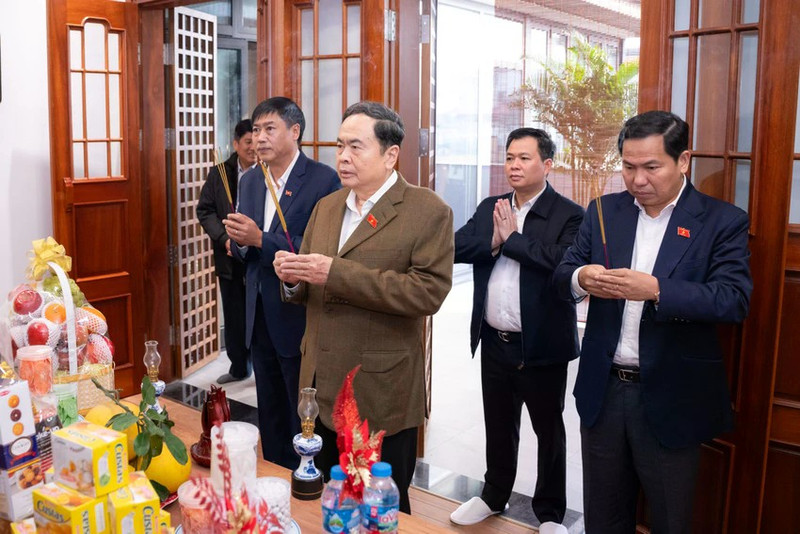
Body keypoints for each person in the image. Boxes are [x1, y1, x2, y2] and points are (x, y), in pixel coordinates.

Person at [553, 111, 753, 533]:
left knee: (670, 518)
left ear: (683, 161)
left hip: (671, 396)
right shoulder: (605, 211)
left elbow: (733, 300)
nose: (637, 180)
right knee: (604, 517)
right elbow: (564, 270)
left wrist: (658, 290)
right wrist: (580, 277)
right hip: (603, 391)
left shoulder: (721, 221)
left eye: (651, 167)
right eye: (628, 166)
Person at [273, 101, 454, 514]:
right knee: (330, 501)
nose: (342, 156)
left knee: (378, 507)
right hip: (319, 384)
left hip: (378, 389)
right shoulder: (329, 206)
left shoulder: (427, 212)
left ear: (391, 155)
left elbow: (427, 293)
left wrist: (334, 273)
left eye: (356, 146)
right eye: (339, 146)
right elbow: (310, 284)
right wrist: (292, 279)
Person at [450, 128, 583, 533]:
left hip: (541, 346)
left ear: (547, 164)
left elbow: (563, 262)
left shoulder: (569, 214)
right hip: (495, 340)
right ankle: (493, 495)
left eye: (524, 158)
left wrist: (513, 240)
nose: (514, 165)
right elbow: (456, 245)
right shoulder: (492, 204)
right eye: (509, 157)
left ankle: (549, 514)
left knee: (549, 430)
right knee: (498, 423)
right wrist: (494, 239)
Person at [224, 97, 340, 470]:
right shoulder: (253, 179)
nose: (259, 138)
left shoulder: (323, 179)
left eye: (269, 129)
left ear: (295, 132)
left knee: (301, 404)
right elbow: (247, 248)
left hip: (298, 311)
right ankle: (274, 469)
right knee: (269, 402)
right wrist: (239, 243)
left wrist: (260, 239)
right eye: (255, 130)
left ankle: (307, 476)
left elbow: (317, 245)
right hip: (258, 307)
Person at [197, 119, 256, 384]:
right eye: (248, 143)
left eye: (257, 142)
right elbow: (205, 209)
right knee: (233, 312)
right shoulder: (221, 171)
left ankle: (261, 365)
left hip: (258, 253)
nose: (253, 148)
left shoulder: (268, 171)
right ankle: (239, 366)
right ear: (236, 144)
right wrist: (224, 240)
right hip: (229, 254)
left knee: (260, 313)